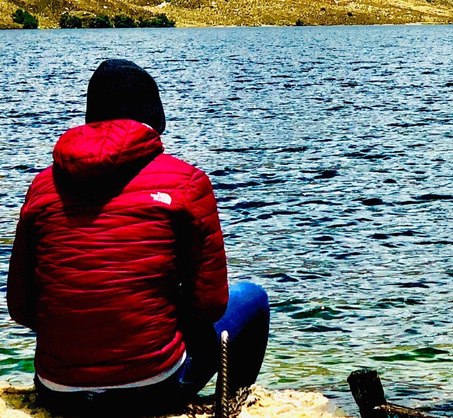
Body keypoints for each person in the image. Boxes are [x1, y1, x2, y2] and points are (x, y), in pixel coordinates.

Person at [5, 59, 270, 417]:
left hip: (58, 391)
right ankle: (231, 407)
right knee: (252, 299)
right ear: (153, 119)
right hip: (150, 391)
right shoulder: (187, 182)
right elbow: (209, 305)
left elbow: (21, 307)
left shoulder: (42, 187)